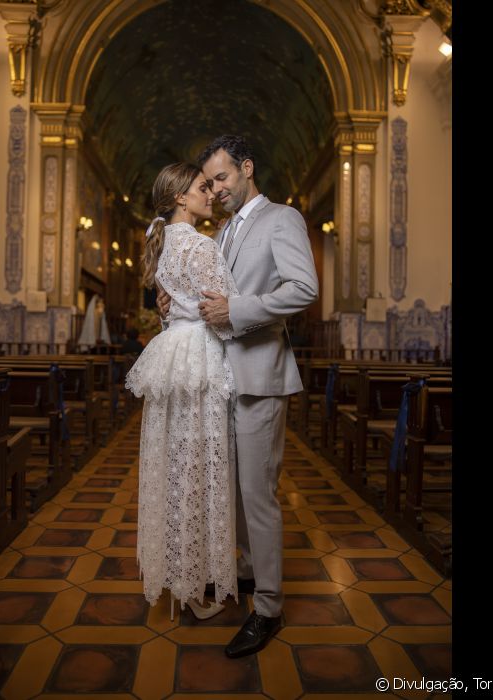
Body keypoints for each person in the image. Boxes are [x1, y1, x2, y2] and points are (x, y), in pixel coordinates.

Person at [158, 135, 319, 658]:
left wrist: (239, 310)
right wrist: (174, 302)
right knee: (232, 490)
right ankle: (247, 575)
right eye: (209, 183)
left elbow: (303, 288)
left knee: (258, 493)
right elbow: (204, 297)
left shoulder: (282, 218)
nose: (217, 189)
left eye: (222, 177)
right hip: (218, 378)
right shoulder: (222, 230)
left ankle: (268, 608)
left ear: (248, 168)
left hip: (259, 376)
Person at [125, 162, 240, 621]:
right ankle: (195, 586)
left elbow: (171, 309)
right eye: (200, 188)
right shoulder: (201, 246)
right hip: (199, 359)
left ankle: (179, 576)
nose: (209, 194)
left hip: (171, 355)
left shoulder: (161, 245)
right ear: (179, 198)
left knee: (173, 467)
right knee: (201, 469)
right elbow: (225, 312)